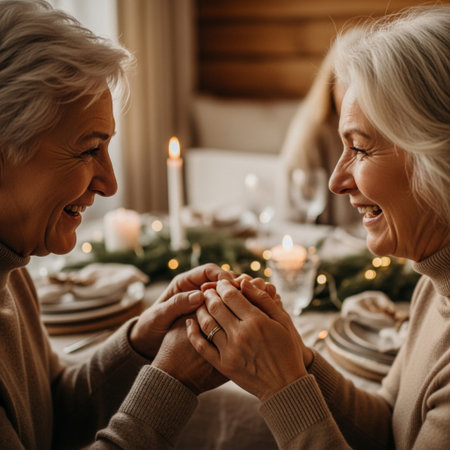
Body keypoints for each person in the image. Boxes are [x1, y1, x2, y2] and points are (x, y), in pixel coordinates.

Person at [186, 6, 450, 449]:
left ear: (437, 156)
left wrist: (282, 387)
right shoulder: (434, 283)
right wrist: (297, 358)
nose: (336, 181)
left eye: (361, 149)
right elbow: (387, 425)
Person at [0, 1, 240, 448]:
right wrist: (170, 383)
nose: (110, 184)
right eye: (90, 150)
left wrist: (140, 343)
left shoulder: (12, 268)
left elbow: (52, 414)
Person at [276, 28, 362, 227]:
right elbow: (292, 217)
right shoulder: (310, 134)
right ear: (331, 85)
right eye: (345, 85)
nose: (355, 98)